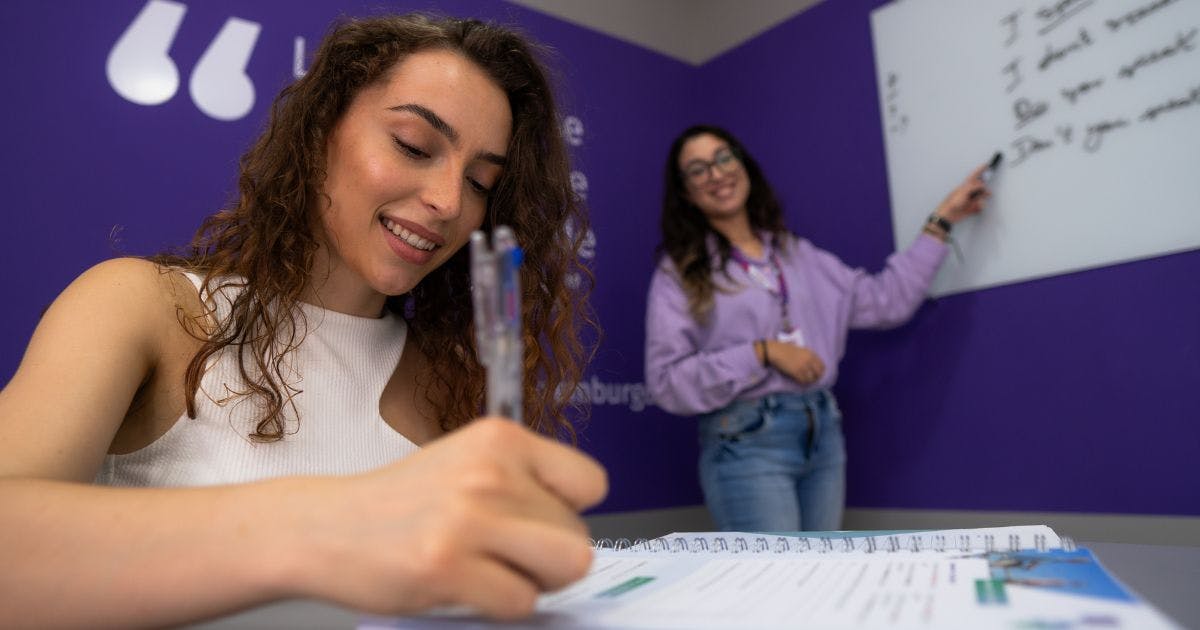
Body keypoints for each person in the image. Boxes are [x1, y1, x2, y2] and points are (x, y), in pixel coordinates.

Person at [0, 14, 607, 628]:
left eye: (480, 182)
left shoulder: (453, 382)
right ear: (320, 132)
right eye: (414, 147)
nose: (450, 202)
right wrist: (331, 525)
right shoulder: (144, 307)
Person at [644, 124, 989, 533]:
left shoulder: (797, 254)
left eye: (723, 157)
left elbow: (888, 300)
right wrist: (762, 352)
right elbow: (666, 381)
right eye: (698, 169)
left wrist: (943, 219)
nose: (717, 174)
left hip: (823, 433)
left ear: (742, 163)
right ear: (685, 192)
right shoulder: (680, 272)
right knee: (777, 589)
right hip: (747, 442)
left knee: (821, 587)